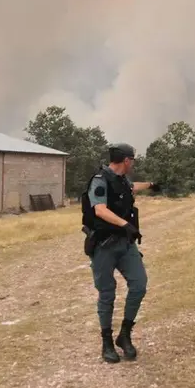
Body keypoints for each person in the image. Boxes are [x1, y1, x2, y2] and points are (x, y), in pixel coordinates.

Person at [81, 143, 161, 364]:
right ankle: (106, 341)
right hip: (103, 246)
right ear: (126, 160)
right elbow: (100, 210)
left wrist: (152, 185)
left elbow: (133, 187)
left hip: (125, 245)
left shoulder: (123, 180)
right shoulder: (99, 180)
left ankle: (124, 334)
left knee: (139, 284)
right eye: (132, 160)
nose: (133, 163)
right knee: (107, 293)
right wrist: (126, 224)